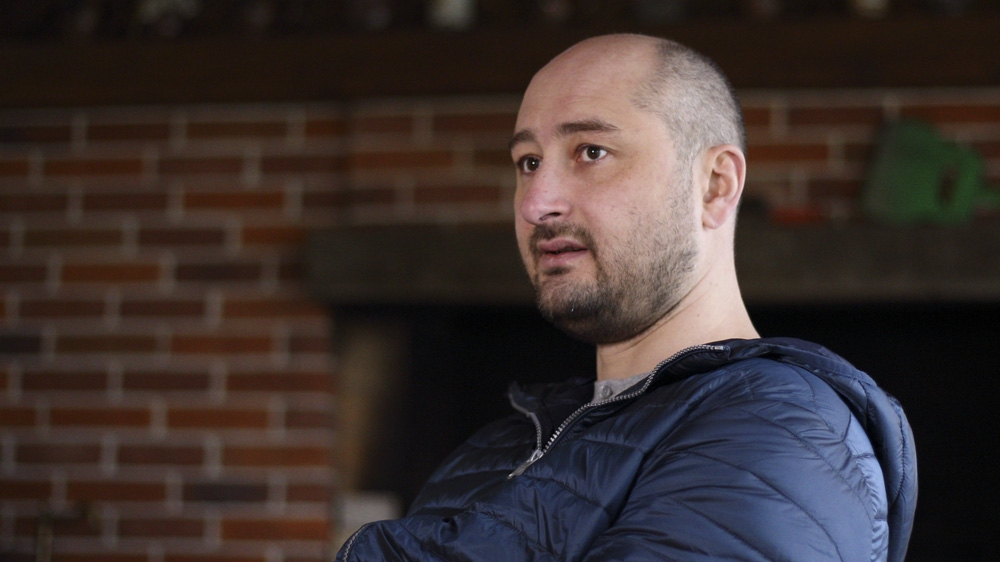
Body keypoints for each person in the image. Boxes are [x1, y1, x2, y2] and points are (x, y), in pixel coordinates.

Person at [336, 33, 917, 562]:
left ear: (714, 186)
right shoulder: (496, 446)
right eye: (528, 162)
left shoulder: (786, 428)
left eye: (591, 151)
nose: (537, 203)